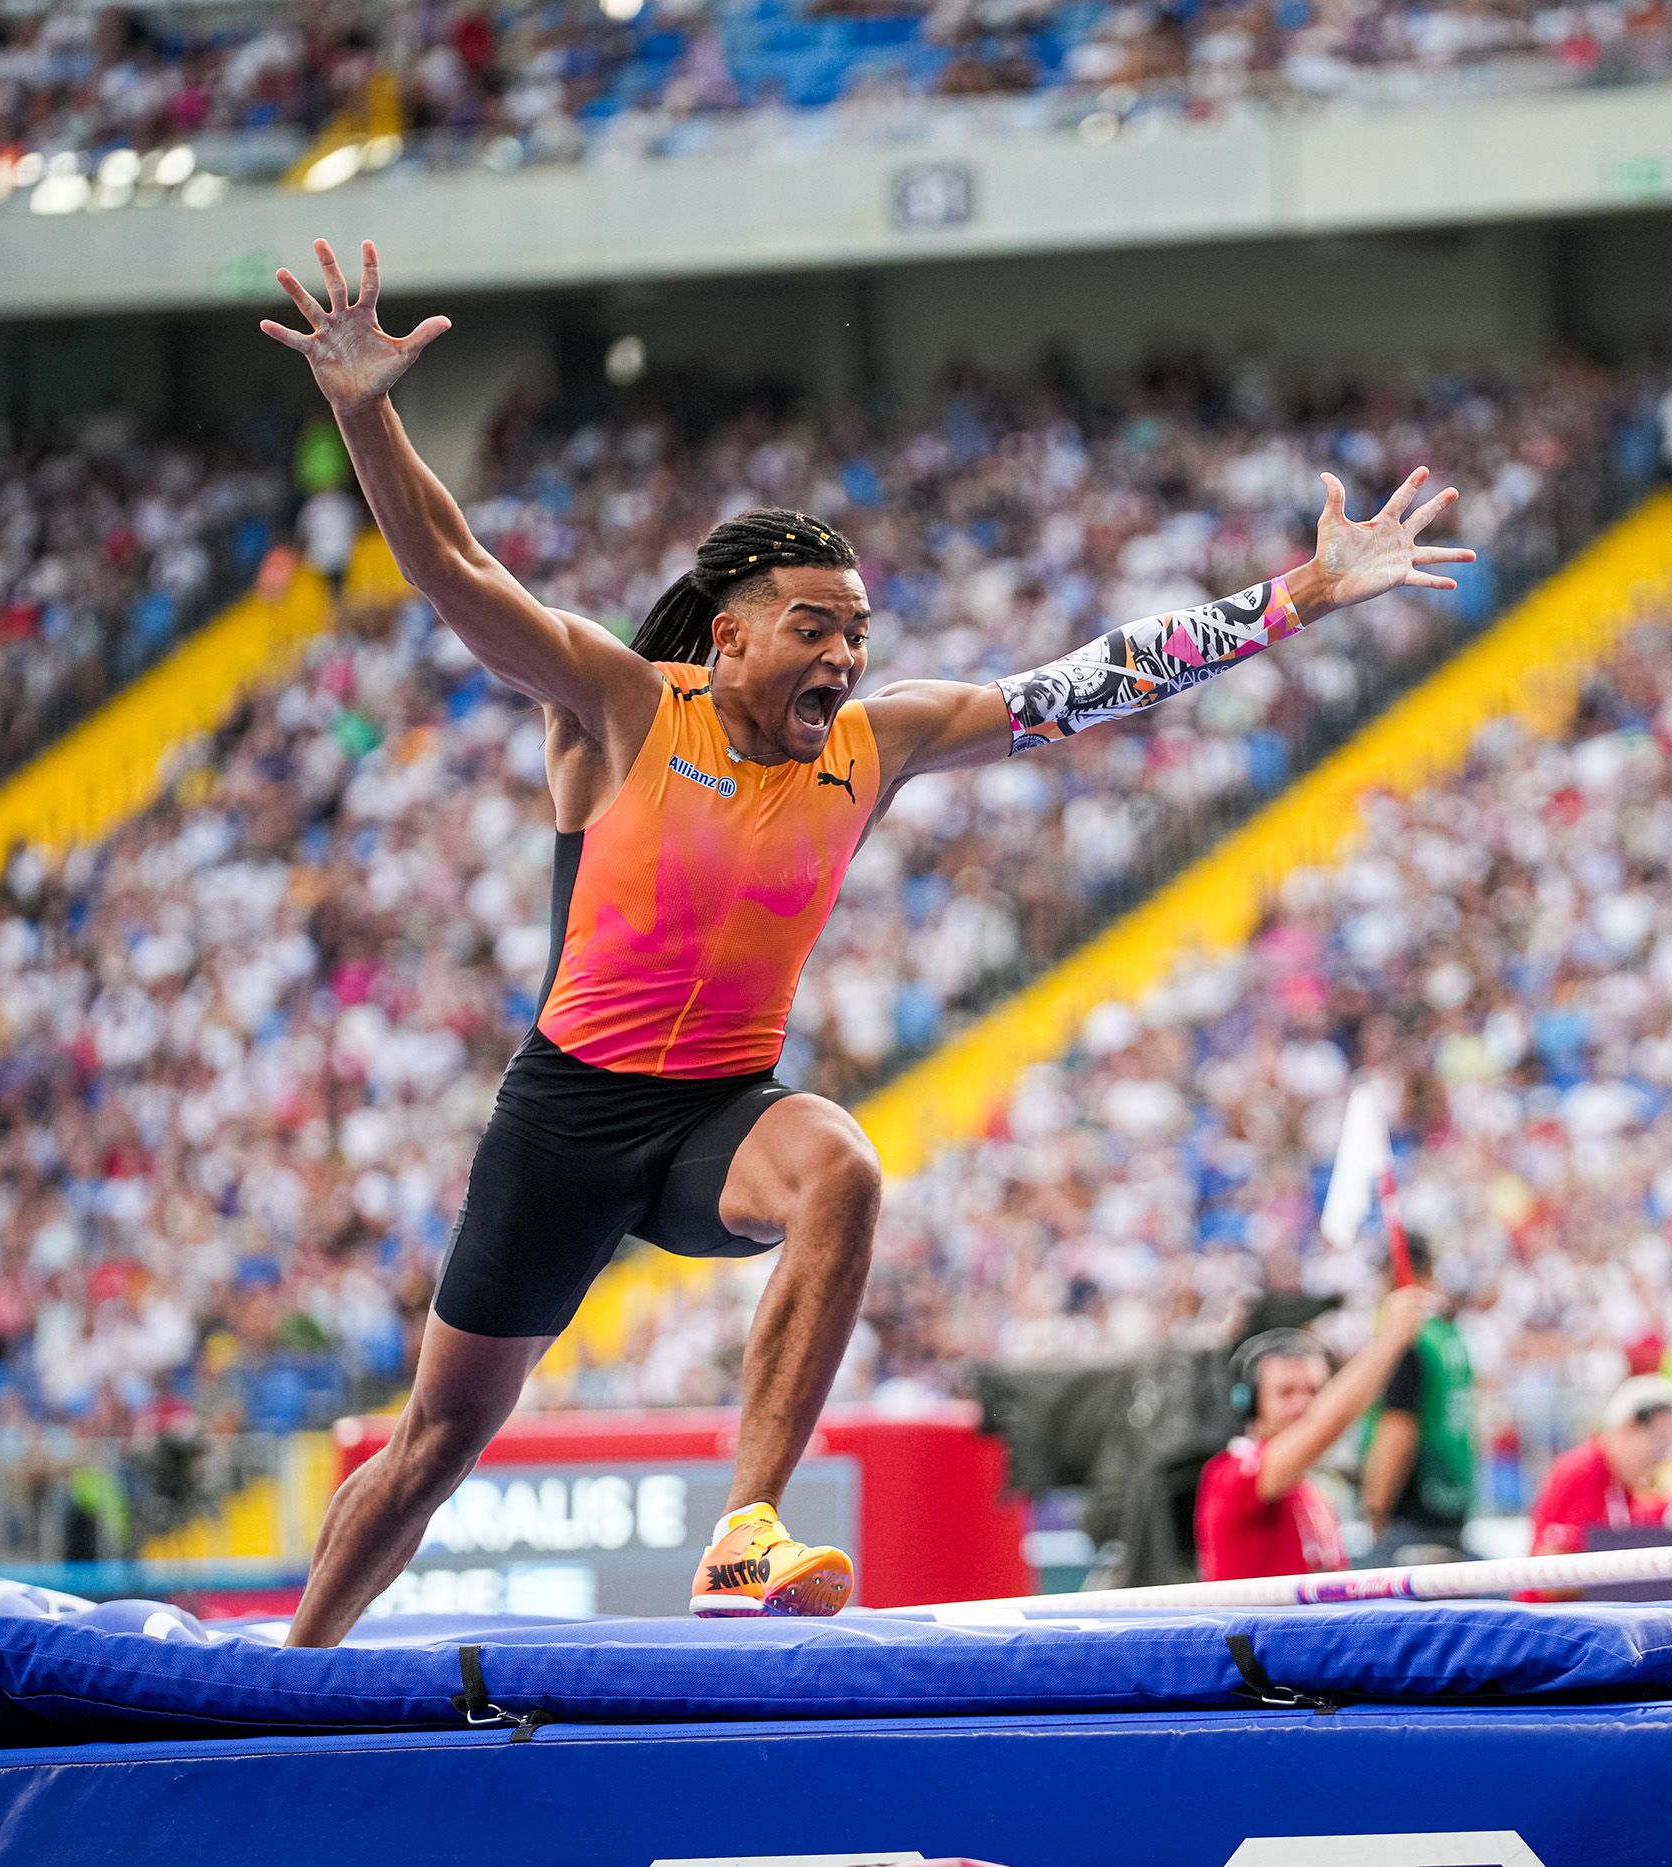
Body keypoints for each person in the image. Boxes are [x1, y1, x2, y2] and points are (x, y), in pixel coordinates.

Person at [258, 239, 1473, 1643]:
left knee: (840, 1160)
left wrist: (1298, 597)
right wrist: (364, 408)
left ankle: (745, 1532)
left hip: (719, 1108)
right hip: (567, 1117)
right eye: (813, 629)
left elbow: (1088, 684)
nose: (843, 656)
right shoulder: (620, 704)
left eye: (859, 632)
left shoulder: (877, 745)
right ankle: (295, 1669)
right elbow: (451, 564)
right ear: (727, 639)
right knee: (435, 1442)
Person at [1196, 1290, 1445, 1583]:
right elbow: (1325, 1422)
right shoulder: (1229, 1475)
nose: (1302, 1404)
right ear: (1248, 1402)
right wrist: (1389, 1339)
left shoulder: (1309, 1491)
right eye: (1286, 1392)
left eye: (1314, 1391)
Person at [1357, 1234, 1475, 1565]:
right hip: (1450, 1500)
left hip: (1410, 1510)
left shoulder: (1408, 1342)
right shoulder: (1450, 1337)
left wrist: (1376, 1507)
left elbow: (1398, 1430)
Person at [1529, 1374, 1672, 1557]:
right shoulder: (1583, 1470)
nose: (1661, 1458)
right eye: (1659, 1441)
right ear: (1629, 1427)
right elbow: (1553, 1561)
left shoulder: (1620, 1482)